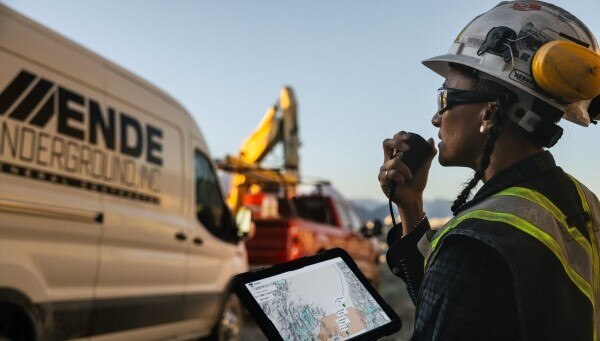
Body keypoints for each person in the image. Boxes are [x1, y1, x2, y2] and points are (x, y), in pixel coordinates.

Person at [378, 2, 600, 340]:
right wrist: (411, 205)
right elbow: (462, 307)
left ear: (489, 113)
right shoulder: (581, 201)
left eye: (444, 99)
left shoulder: (478, 242)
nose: (435, 119)